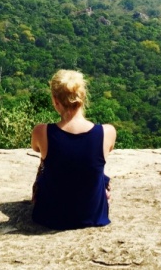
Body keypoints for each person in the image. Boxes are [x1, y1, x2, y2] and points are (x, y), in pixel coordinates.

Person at [30, 69, 116, 230]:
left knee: (45, 163)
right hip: (93, 215)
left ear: (55, 101)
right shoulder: (107, 132)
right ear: (83, 98)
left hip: (48, 216)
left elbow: (36, 148)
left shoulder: (41, 132)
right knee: (99, 174)